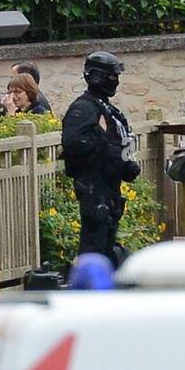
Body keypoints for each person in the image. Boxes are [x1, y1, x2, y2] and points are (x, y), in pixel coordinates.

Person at [61, 52, 140, 267]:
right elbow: (75, 144)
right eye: (111, 76)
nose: (115, 81)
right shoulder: (84, 108)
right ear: (97, 76)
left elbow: (122, 140)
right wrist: (104, 141)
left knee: (105, 246)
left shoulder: (105, 107)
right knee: (94, 248)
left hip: (109, 187)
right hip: (94, 187)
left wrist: (127, 164)